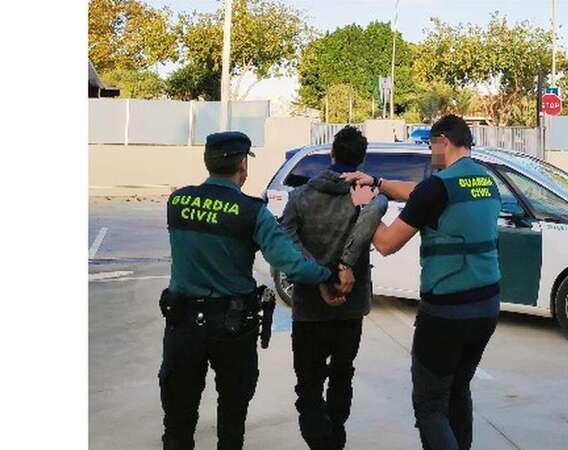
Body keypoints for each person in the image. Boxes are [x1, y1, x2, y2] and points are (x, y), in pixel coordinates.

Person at [159, 131, 348, 450]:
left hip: (183, 325)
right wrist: (327, 275)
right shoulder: (251, 211)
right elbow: (291, 263)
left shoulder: (177, 202)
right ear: (242, 165)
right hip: (232, 330)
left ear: (208, 162)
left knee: (178, 421)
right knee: (232, 419)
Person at [342, 115, 502, 450]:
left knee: (430, 404)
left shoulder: (437, 187)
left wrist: (364, 207)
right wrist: (377, 181)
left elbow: (386, 243)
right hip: (487, 307)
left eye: (431, 145)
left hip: (446, 311)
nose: (431, 152)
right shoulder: (486, 181)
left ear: (443, 141)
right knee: (459, 389)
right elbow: (419, 193)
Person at [280, 126, 388, 450]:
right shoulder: (364, 196)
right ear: (362, 160)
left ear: (332, 156)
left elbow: (286, 240)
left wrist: (319, 275)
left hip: (309, 311)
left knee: (308, 386)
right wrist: (342, 267)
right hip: (350, 308)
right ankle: (334, 440)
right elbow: (377, 208)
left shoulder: (300, 197)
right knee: (343, 375)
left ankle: (319, 441)